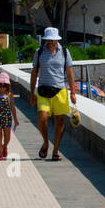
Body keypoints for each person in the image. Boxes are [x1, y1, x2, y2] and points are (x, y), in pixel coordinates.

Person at [29, 27, 76, 161]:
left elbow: (69, 73)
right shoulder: (39, 52)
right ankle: (45, 142)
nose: (50, 42)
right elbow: (34, 73)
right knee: (42, 118)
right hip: (43, 90)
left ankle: (55, 151)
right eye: (48, 40)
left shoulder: (65, 52)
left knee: (60, 122)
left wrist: (73, 92)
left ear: (57, 39)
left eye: (53, 40)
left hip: (60, 91)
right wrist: (32, 92)